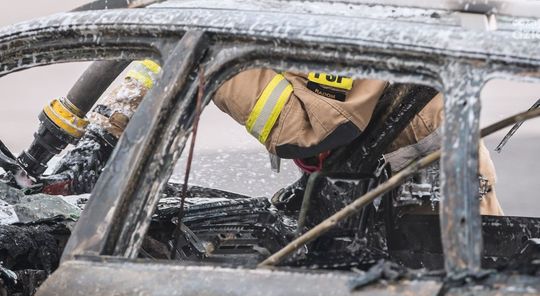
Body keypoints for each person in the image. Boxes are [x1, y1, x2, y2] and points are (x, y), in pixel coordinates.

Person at [51, 61, 503, 216]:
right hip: (365, 150)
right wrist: (100, 137)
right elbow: (169, 59)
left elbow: (308, 131)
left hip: (422, 149)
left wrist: (214, 62)